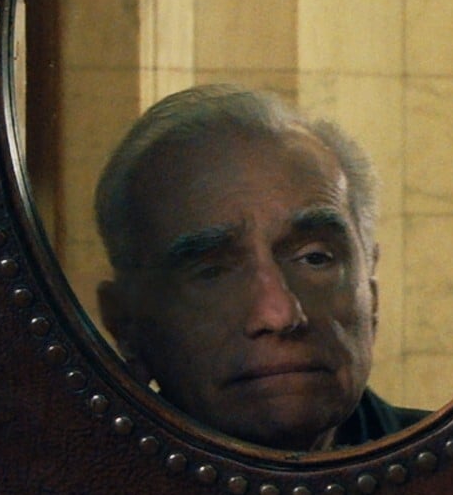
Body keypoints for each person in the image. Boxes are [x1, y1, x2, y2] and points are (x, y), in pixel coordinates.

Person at [93, 85, 423, 452]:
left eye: (315, 258)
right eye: (213, 272)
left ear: (371, 293)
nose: (278, 314)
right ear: (125, 324)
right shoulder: (70, 485)